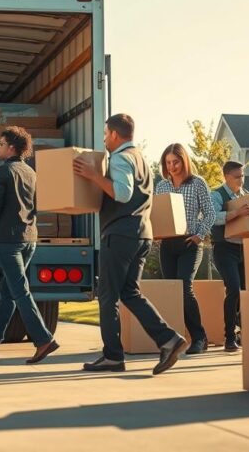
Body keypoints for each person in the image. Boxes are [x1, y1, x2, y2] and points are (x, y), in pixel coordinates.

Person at [72, 114, 188, 374]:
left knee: (107, 296)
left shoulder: (121, 158)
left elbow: (122, 193)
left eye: (105, 134)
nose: (104, 139)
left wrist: (93, 176)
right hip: (141, 233)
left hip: (121, 234)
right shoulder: (140, 158)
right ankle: (169, 340)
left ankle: (113, 356)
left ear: (114, 134)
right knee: (129, 292)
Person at [0, 127, 60, 364]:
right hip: (29, 238)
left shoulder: (2, 173)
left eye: (1, 144)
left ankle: (43, 340)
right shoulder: (30, 172)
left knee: (19, 291)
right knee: (9, 292)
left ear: (11, 147)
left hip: (9, 241)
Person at [155, 143, 215, 354]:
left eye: (176, 162)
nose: (172, 167)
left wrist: (200, 235)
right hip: (167, 243)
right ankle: (175, 340)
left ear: (184, 161)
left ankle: (200, 338)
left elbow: (210, 212)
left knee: (185, 288)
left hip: (190, 242)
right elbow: (158, 212)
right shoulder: (162, 186)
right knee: (172, 290)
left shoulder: (198, 183)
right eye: (168, 163)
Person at [210, 161, 249, 352]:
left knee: (245, 292)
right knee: (234, 289)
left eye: (243, 176)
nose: (241, 180)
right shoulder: (217, 194)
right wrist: (236, 213)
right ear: (226, 177)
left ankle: (244, 332)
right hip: (224, 248)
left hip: (244, 249)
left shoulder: (246, 196)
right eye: (237, 177)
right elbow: (212, 217)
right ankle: (229, 337)